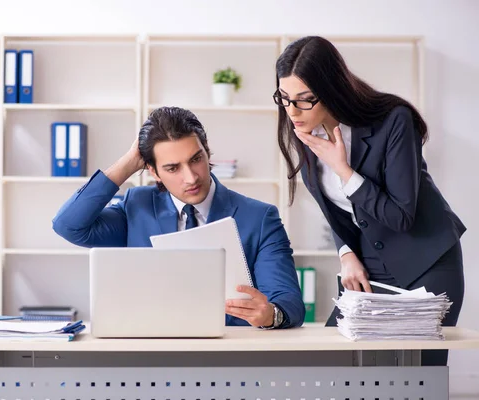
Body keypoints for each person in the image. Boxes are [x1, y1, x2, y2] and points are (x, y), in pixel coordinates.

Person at [274, 36, 466, 364]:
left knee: (420, 375)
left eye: (305, 99)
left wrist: (344, 170)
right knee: (334, 364)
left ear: (332, 90)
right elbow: (334, 207)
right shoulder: (305, 126)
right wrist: (346, 252)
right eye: (285, 98)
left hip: (427, 260)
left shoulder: (393, 120)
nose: (293, 111)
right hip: (370, 266)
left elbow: (401, 216)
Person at [53, 106, 305, 329]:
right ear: (153, 171)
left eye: (196, 159)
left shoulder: (259, 217)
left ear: (207, 152)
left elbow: (289, 302)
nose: (191, 177)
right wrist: (128, 163)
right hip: (151, 361)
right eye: (172, 168)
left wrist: (271, 314)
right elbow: (69, 225)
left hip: (230, 362)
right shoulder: (136, 207)